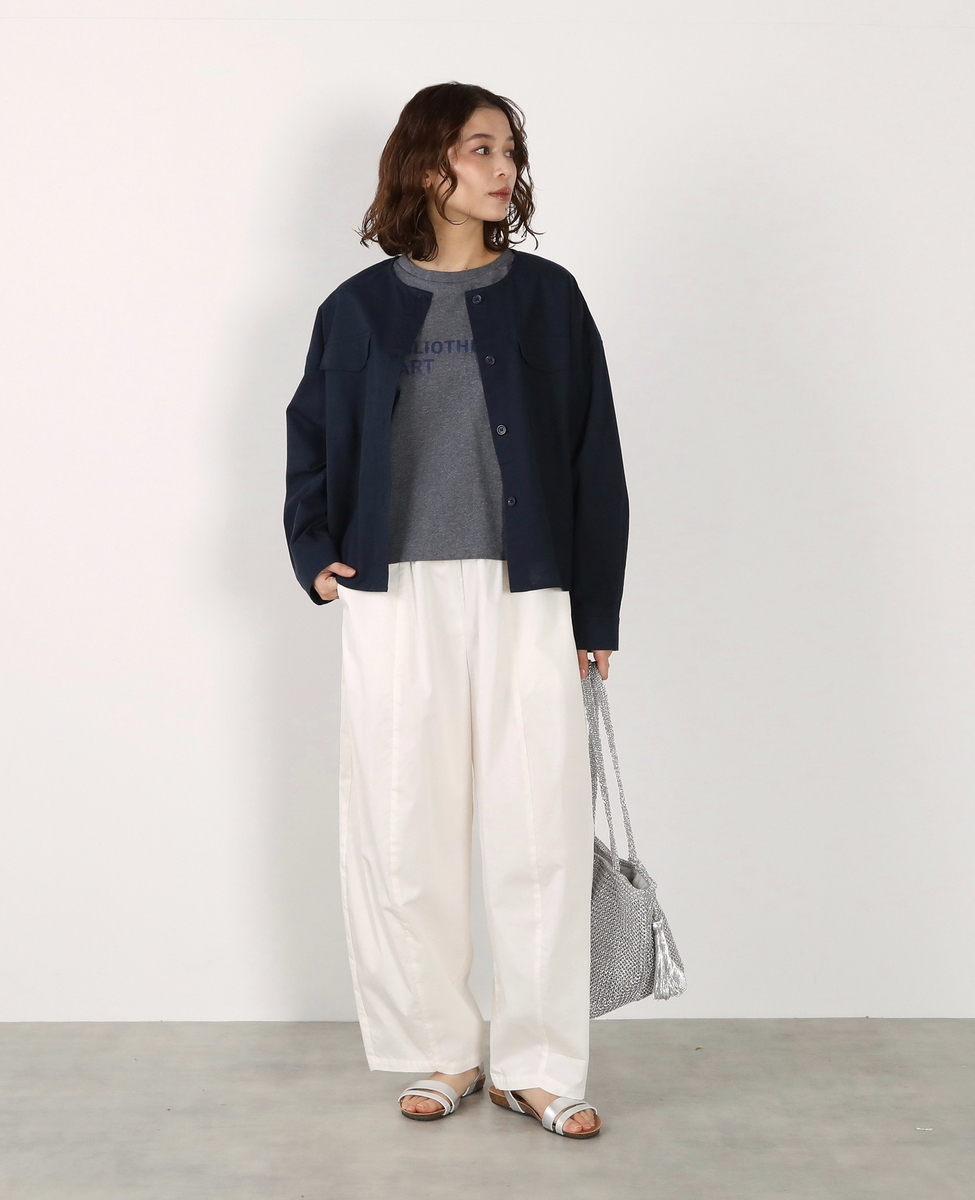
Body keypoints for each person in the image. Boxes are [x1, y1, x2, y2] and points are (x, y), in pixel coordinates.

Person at [284, 81, 628, 1139]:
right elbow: (309, 440)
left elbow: (595, 456)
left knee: (539, 829)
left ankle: (538, 1065)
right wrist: (314, 555)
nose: (503, 168)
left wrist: (596, 612)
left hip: (528, 587)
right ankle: (443, 1048)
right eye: (481, 149)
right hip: (392, 593)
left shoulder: (549, 299)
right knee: (403, 826)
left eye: (509, 151)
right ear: (425, 161)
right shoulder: (354, 310)